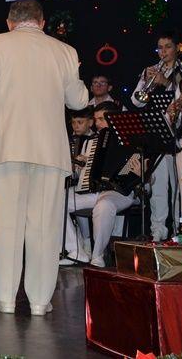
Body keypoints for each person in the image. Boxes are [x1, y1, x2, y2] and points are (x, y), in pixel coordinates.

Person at [0, 0, 88, 316]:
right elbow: (78, 101)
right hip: (50, 152)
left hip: (7, 148)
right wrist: (76, 73)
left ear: (10, 22)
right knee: (45, 227)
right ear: (42, 22)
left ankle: (6, 298)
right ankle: (39, 301)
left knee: (7, 225)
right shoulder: (65, 51)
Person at [60, 102, 140, 267]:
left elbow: (147, 178)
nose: (97, 123)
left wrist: (141, 174)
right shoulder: (91, 142)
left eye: (101, 119)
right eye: (96, 119)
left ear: (115, 119)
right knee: (57, 200)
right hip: (93, 190)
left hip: (120, 191)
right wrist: (81, 167)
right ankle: (76, 250)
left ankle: (97, 255)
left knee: (104, 206)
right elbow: (82, 175)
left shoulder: (132, 140)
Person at [131, 31, 182, 240]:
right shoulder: (151, 69)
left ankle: (179, 230)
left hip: (177, 133)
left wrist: (166, 82)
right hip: (156, 133)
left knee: (178, 187)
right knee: (158, 185)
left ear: (176, 48)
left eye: (168, 47)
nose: (163, 52)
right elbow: (136, 101)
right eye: (160, 48)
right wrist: (146, 80)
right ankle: (158, 231)